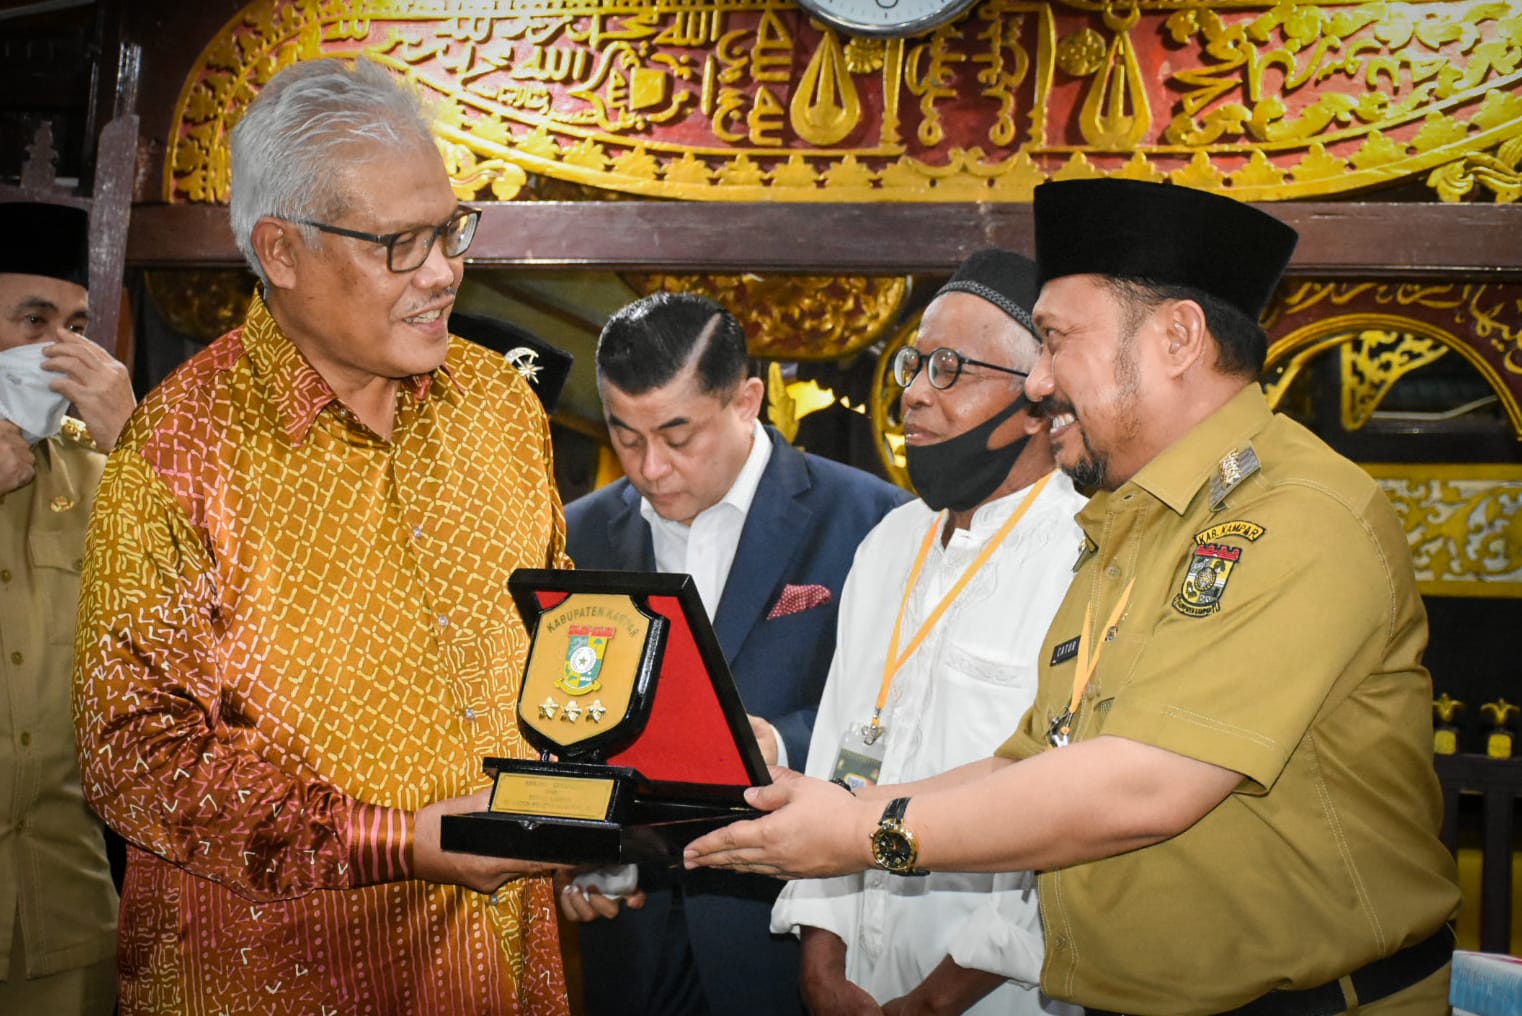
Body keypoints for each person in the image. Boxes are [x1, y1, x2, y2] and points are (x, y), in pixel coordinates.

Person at [685, 178, 1461, 1014]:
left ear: (1176, 337)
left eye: (1055, 341)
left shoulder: (1291, 515)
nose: (1040, 381)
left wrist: (866, 833)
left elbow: (1143, 785)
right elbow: (1033, 762)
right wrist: (838, 805)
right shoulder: (1129, 522)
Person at [72, 59, 571, 1014]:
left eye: (451, 230)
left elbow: (557, 641)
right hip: (274, 970)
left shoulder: (499, 406)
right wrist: (396, 839)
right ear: (283, 250)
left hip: (496, 958)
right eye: (401, 244)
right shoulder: (180, 449)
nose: (444, 271)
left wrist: (635, 775)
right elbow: (131, 752)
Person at [560, 290, 908, 1016]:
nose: (650, 468)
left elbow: (906, 710)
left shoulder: (874, 520)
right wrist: (577, 850)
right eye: (626, 436)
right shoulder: (575, 535)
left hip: (789, 929)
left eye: (678, 435)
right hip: (629, 933)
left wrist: (784, 741)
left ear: (747, 400)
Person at [771, 250, 1084, 1016]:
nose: (913, 393)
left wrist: (935, 1001)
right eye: (914, 363)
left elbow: (1064, 811)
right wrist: (821, 960)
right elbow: (840, 754)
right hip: (852, 980)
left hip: (998, 996)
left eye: (950, 368)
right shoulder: (889, 543)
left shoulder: (1086, 551)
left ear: (1038, 402)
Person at [0, 200, 133, 1015]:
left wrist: (140, 440)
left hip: (65, 904)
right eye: (32, 319)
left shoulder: (105, 476)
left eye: (76, 325)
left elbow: (230, 610)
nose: (59, 349)